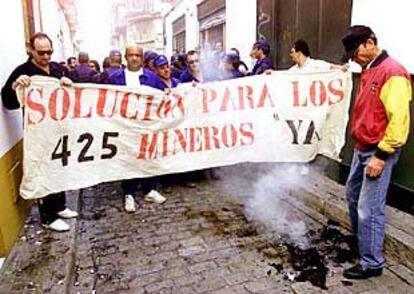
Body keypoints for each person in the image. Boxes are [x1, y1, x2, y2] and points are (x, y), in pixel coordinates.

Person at [341, 25, 411, 279]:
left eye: (355, 51)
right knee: (352, 196)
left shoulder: (393, 73)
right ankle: (363, 242)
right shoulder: (369, 69)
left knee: (369, 208)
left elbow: (399, 120)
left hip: (378, 150)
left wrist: (381, 156)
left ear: (370, 42)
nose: (354, 58)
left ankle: (372, 263)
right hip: (362, 146)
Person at [1, 32, 78, 232]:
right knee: (43, 171)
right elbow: (9, 102)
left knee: (59, 168)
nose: (46, 57)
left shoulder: (57, 69)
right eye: (41, 52)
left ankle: (60, 206)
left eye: (49, 52)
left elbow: (73, 94)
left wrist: (68, 83)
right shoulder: (23, 70)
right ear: (31, 51)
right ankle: (48, 217)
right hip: (39, 131)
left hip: (59, 128)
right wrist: (16, 85)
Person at [106, 45, 167, 212]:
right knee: (128, 159)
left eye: (137, 56)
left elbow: (162, 98)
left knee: (148, 156)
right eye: (131, 55)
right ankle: (129, 193)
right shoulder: (115, 78)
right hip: (125, 126)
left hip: (146, 125)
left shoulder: (152, 78)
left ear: (142, 58)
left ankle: (149, 189)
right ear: (126, 57)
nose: (134, 58)